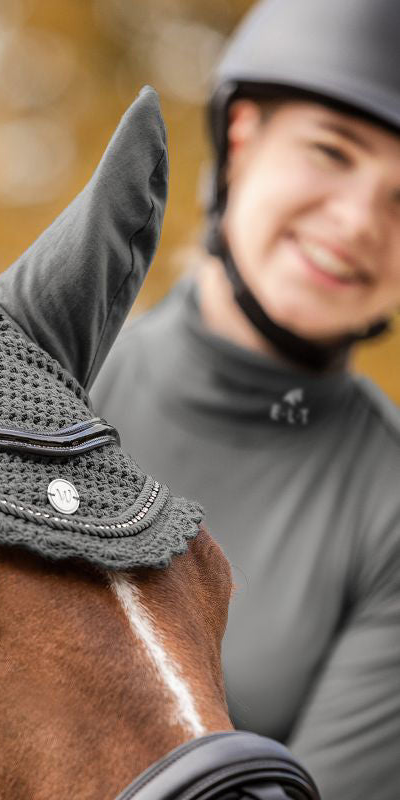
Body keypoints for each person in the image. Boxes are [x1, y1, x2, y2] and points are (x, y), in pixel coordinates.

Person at [91, 0, 400, 797]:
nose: (362, 221)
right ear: (242, 140)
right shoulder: (49, 384)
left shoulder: (389, 506)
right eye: (332, 153)